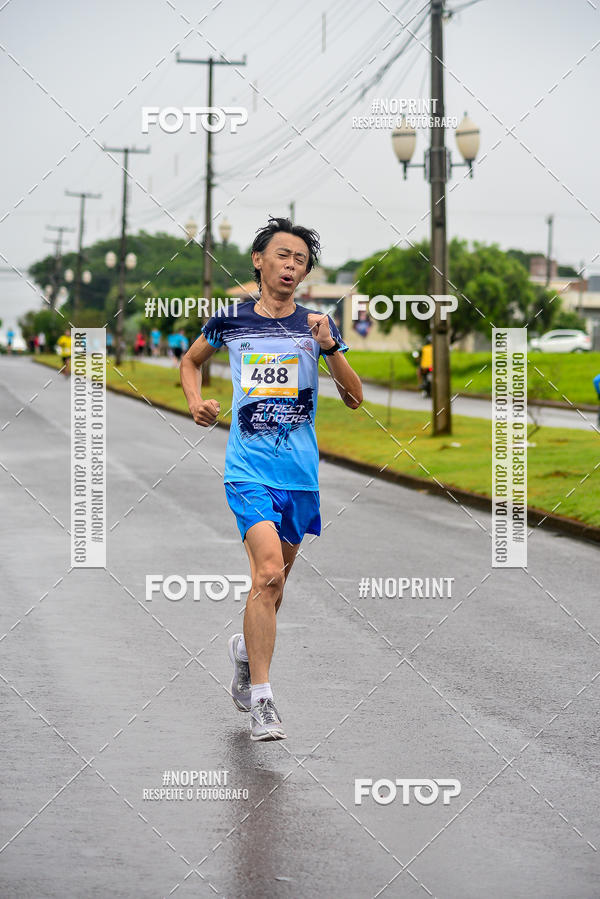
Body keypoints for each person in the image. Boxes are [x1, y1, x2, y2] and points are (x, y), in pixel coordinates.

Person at [180, 216, 363, 741]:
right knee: (266, 573)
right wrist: (196, 402)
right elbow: (190, 363)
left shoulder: (317, 326)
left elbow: (354, 399)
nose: (291, 265)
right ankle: (262, 699)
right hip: (247, 470)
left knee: (274, 587)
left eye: (300, 260)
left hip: (299, 476)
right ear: (259, 261)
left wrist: (330, 348)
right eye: (282, 255)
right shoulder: (230, 321)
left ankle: (243, 653)